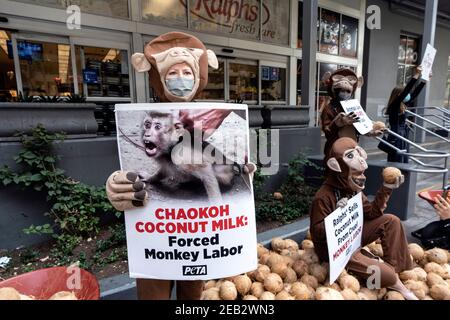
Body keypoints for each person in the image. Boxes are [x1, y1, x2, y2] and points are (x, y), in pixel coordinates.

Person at [105, 32, 255, 300]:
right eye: (172, 73)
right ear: (158, 77)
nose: (180, 78)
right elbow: (157, 169)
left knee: (192, 293)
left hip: (197, 239)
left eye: (187, 71)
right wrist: (121, 185)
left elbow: (212, 171)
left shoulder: (197, 126)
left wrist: (242, 178)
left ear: (198, 77)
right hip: (157, 244)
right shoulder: (161, 124)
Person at [310, 137, 418, 299]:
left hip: (354, 237)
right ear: (337, 167)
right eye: (355, 172)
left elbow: (372, 213)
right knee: (386, 276)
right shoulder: (323, 196)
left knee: (391, 221)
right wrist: (336, 218)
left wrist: (386, 189)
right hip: (336, 250)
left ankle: (392, 272)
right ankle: (389, 277)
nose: (361, 175)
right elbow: (316, 233)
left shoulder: (353, 190)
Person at [384, 66, 431, 163]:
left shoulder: (402, 104)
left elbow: (414, 94)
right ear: (398, 95)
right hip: (396, 135)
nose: (408, 95)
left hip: (403, 134)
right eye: (405, 94)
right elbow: (406, 91)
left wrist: (425, 79)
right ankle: (392, 175)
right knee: (396, 159)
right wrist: (416, 75)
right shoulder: (394, 105)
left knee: (403, 158)